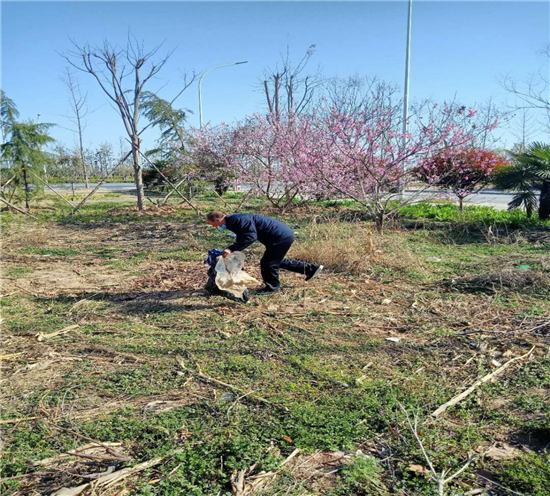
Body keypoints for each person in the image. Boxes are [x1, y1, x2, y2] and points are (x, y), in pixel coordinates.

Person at [206, 211, 323, 295]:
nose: (214, 227)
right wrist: (234, 249)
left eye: (212, 224)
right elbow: (243, 237)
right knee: (275, 261)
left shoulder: (236, 220)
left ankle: (273, 288)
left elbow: (250, 237)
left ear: (217, 220)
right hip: (281, 236)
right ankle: (311, 269)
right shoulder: (233, 221)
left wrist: (231, 249)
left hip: (280, 237)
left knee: (268, 263)